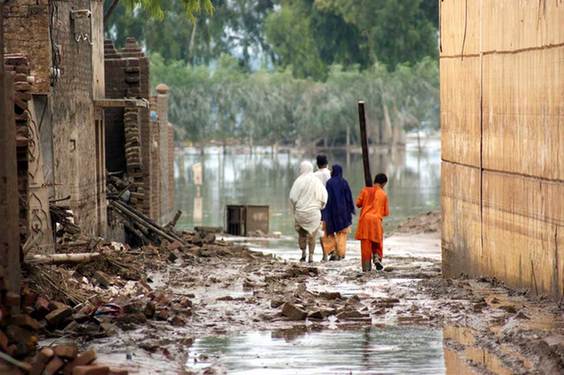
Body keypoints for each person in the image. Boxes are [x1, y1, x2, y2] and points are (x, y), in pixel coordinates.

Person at [289, 161, 328, 263]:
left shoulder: (298, 181)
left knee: (302, 234)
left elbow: (292, 197)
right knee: (313, 235)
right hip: (314, 214)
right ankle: (311, 256)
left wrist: (297, 207)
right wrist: (320, 206)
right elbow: (324, 197)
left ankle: (303, 254)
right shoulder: (317, 181)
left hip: (300, 213)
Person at [354, 173, 390, 272]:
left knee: (366, 245)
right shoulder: (383, 193)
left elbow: (358, 204)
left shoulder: (365, 190)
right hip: (376, 221)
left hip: (365, 220)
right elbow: (385, 213)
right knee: (377, 242)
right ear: (383, 184)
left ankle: (366, 268)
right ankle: (377, 257)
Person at [320, 164, 355, 261]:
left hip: (331, 212)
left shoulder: (329, 183)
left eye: (332, 170)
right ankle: (341, 253)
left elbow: (327, 198)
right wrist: (350, 210)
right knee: (342, 234)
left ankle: (332, 250)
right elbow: (349, 198)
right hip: (343, 213)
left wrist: (324, 212)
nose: (330, 172)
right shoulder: (344, 183)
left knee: (328, 232)